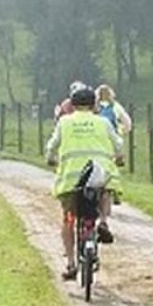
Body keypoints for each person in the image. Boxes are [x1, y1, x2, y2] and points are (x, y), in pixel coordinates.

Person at [45, 84, 124, 279]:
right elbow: (118, 144)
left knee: (68, 219)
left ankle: (71, 264)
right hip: (97, 176)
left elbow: (52, 146)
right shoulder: (103, 122)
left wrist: (50, 159)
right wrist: (119, 158)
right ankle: (103, 221)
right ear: (94, 105)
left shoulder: (64, 122)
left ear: (72, 104)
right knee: (106, 189)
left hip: (72, 180)